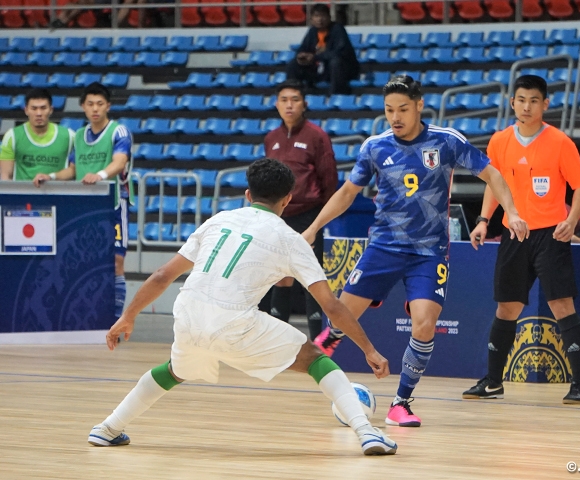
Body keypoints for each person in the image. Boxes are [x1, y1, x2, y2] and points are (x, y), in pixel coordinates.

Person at [87, 159, 397, 456]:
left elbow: (162, 275)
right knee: (316, 360)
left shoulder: (219, 220)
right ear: (287, 199)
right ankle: (366, 432)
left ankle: (108, 427)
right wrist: (369, 349)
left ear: (248, 195)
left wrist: (128, 316)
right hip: (234, 321)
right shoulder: (290, 240)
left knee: (174, 371)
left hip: (188, 313)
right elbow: (331, 305)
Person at [302, 75, 529, 427]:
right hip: (383, 248)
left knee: (424, 324)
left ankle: (401, 403)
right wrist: (314, 228)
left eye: (403, 109)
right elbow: (348, 192)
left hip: (429, 252)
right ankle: (334, 332)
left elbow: (494, 176)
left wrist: (511, 212)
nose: (395, 117)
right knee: (343, 315)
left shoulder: (446, 141)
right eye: (389, 110)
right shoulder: (375, 146)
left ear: (420, 105)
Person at [462, 75, 580, 404]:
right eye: (521, 99)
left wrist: (571, 219)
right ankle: (493, 381)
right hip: (513, 233)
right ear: (512, 103)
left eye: (533, 100)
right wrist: (482, 221)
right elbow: (494, 184)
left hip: (551, 234)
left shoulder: (561, 142)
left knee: (562, 305)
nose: (526, 106)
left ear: (545, 105)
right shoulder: (499, 141)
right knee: (507, 307)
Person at [33, 82, 133, 324]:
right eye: (90, 104)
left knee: (116, 262)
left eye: (100, 104)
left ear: (108, 105)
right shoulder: (78, 136)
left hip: (113, 205)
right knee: (81, 266)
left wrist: (99, 176)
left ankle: (116, 322)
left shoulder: (119, 131)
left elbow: (119, 162)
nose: (95, 109)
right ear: (83, 107)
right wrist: (53, 177)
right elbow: (73, 170)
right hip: (84, 209)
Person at [264, 80, 338, 340]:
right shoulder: (271, 139)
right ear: (277, 104)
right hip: (279, 218)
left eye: (294, 99)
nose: (289, 105)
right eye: (284, 99)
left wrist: (320, 222)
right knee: (280, 277)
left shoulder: (317, 136)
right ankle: (275, 340)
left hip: (309, 217)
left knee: (312, 279)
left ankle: (319, 341)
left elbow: (329, 181)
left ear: (304, 104)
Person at [0, 88, 75, 181]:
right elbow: (5, 176)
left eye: (43, 108)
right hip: (22, 194)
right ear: (26, 110)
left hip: (56, 194)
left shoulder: (69, 136)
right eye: (34, 108)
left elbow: (73, 170)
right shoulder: (12, 136)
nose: (39, 113)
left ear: (51, 110)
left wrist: (52, 177)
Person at [286, 3, 360, 95]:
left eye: (323, 16)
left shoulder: (338, 29)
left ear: (329, 17)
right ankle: (294, 93)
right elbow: (303, 48)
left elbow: (340, 52)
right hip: (318, 69)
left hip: (339, 70)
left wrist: (315, 57)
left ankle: (337, 94)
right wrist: (301, 56)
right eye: (316, 16)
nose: (320, 19)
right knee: (293, 64)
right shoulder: (312, 31)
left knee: (335, 62)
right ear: (311, 19)